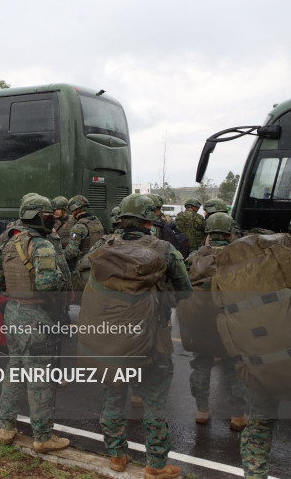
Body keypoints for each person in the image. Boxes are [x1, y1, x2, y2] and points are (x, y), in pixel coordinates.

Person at [92, 193, 192, 477]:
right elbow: (185, 291)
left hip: (112, 335)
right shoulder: (165, 250)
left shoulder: (103, 247)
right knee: (154, 401)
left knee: (113, 396)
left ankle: (117, 456)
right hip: (153, 338)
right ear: (150, 220)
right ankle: (156, 465)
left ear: (122, 219)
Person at [0, 194, 70, 452]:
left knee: (14, 369)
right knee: (39, 377)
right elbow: (48, 284)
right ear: (38, 217)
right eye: (48, 216)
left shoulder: (9, 242)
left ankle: (6, 428)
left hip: (13, 311)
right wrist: (59, 279)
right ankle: (43, 436)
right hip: (36, 315)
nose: (52, 220)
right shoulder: (43, 245)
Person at [183, 212, 248, 430]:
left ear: (208, 234)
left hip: (201, 322)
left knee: (201, 365)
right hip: (231, 322)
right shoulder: (242, 255)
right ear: (230, 233)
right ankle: (238, 415)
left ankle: (202, 411)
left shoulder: (194, 256)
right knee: (234, 369)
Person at [64, 195, 105, 291]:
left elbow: (71, 252)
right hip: (100, 264)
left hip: (84, 268)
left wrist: (60, 254)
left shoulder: (78, 228)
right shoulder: (98, 221)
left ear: (74, 210)